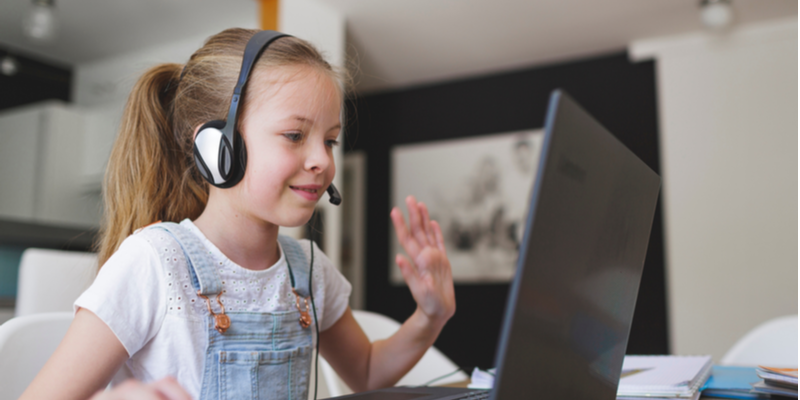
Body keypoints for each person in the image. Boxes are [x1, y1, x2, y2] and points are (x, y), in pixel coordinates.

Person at [19, 28, 455, 400]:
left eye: (330, 140)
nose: (322, 159)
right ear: (216, 146)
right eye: (294, 135)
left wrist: (429, 316)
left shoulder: (308, 272)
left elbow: (366, 373)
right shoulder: (154, 263)